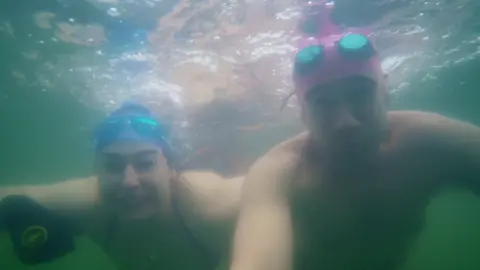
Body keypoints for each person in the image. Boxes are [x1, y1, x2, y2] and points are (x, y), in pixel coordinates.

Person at [229, 2, 480, 270]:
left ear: (385, 93)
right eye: (323, 103)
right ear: (303, 115)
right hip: (200, 221)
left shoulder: (431, 141)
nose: (345, 123)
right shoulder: (279, 175)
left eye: (360, 94)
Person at [0, 102, 243, 270]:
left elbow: (272, 191)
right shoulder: (89, 200)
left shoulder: (208, 202)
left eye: (146, 164)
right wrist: (13, 213)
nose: (129, 182)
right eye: (113, 166)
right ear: (97, 172)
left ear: (171, 169)